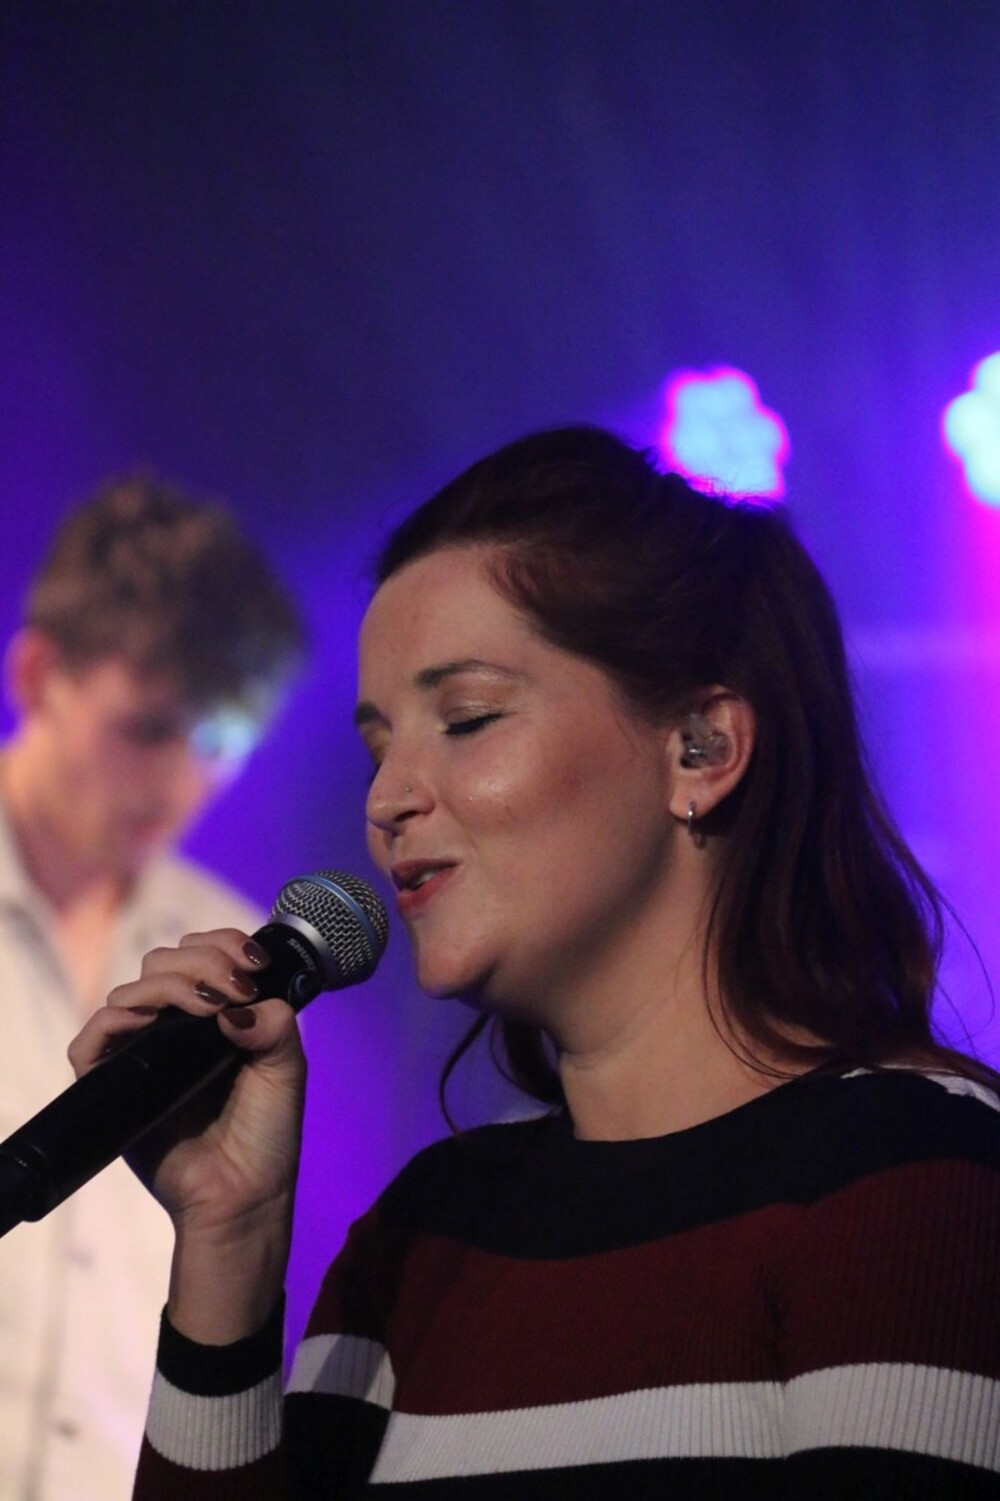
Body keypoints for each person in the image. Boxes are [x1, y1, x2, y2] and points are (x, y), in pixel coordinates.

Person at [71, 427, 999, 1497]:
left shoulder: (912, 1176)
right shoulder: (424, 1232)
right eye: (378, 748)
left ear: (701, 748)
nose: (387, 800)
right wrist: (227, 1241)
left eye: (468, 719)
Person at [0, 473, 305, 1501]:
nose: (179, 784)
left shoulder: (231, 949)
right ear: (38, 673)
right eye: (146, 728)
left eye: (218, 745)